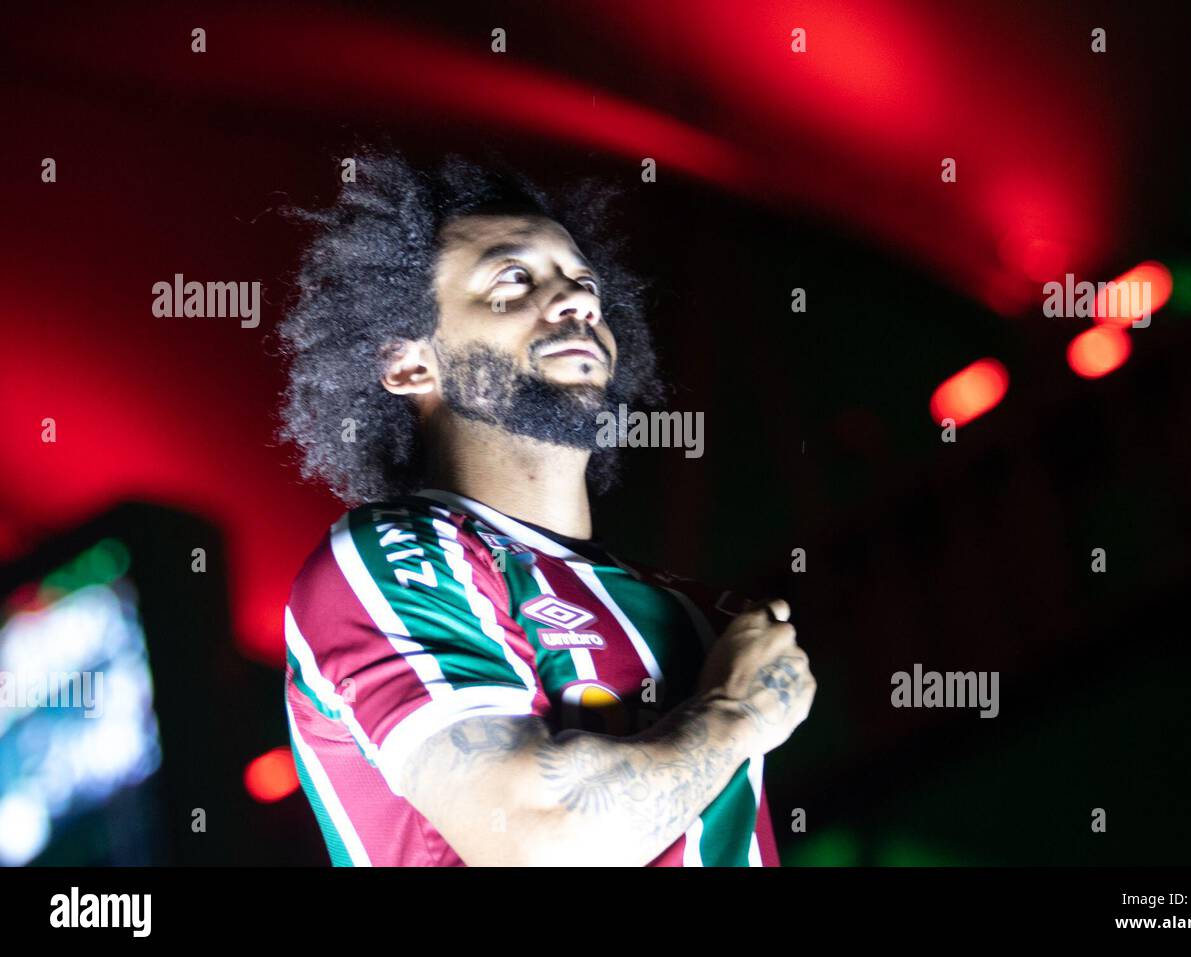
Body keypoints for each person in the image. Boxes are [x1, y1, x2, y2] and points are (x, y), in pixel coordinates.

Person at [276, 150, 815, 866]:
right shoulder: (387, 556)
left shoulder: (701, 616)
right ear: (409, 363)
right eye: (514, 278)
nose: (580, 301)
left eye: (583, 281)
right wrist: (737, 715)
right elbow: (538, 841)